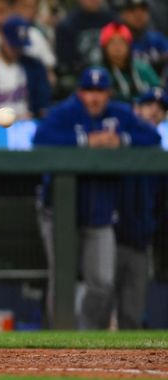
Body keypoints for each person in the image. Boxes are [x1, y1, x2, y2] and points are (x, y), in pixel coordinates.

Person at [32, 67, 161, 329]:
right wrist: (85, 140)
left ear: (108, 93)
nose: (94, 97)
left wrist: (121, 140)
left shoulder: (119, 114)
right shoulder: (65, 112)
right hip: (59, 212)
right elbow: (40, 138)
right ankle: (60, 337)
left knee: (102, 282)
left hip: (100, 213)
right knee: (62, 278)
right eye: (89, 91)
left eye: (100, 91)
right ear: (80, 92)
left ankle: (85, 333)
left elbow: (152, 136)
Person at [114, 88, 167, 329]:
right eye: (148, 105)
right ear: (137, 108)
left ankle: (125, 364)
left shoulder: (159, 153)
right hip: (110, 235)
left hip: (141, 240)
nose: (154, 110)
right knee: (101, 302)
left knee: (132, 314)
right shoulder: (120, 139)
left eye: (160, 107)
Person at [0, 15, 51, 119]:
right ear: (2, 37)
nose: (16, 49)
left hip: (26, 125)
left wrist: (40, 113)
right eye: (13, 45)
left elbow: (42, 101)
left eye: (20, 45)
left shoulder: (33, 65)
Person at [55, 0, 116, 94]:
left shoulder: (112, 21)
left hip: (112, 76)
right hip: (81, 80)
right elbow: (67, 63)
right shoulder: (67, 25)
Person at [99, 22, 160, 103]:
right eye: (112, 43)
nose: (117, 47)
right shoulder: (99, 73)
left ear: (129, 46)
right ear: (104, 48)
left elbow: (159, 90)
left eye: (122, 42)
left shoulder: (142, 68)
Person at [116, 0, 168, 81]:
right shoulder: (118, 41)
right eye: (132, 10)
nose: (138, 15)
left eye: (143, 10)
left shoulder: (156, 38)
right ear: (122, 14)